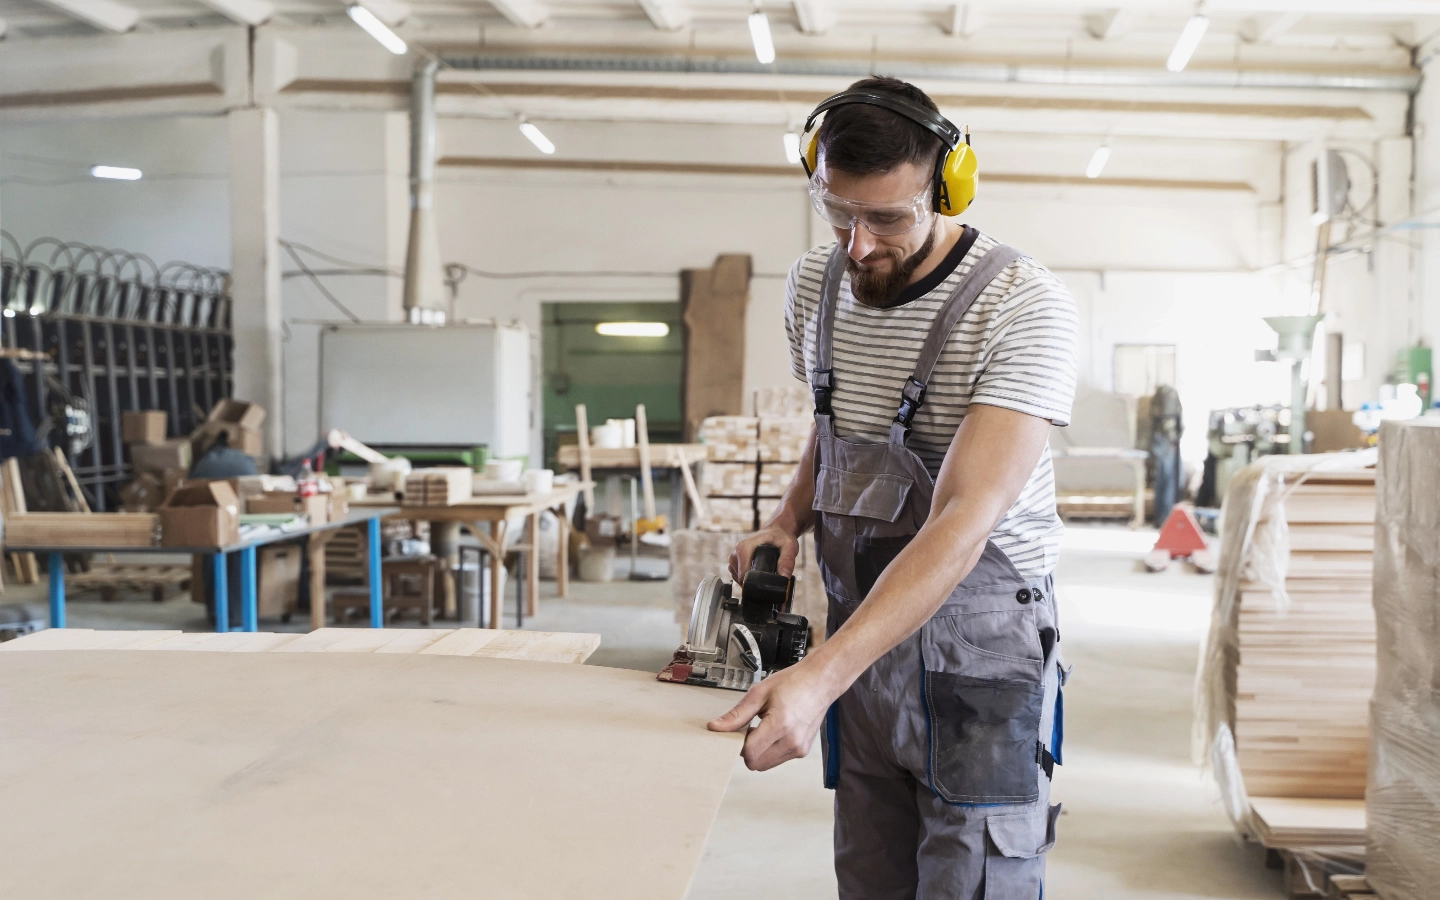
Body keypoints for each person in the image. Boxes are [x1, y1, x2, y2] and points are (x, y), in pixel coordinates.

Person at [707, 76, 1078, 899]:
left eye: (887, 219)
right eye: (838, 211)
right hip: (862, 634)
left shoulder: (1023, 307)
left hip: (978, 654)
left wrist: (818, 680)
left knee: (971, 878)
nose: (858, 245)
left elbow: (963, 517)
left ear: (947, 190)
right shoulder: (816, 285)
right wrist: (787, 519)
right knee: (871, 874)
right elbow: (836, 424)